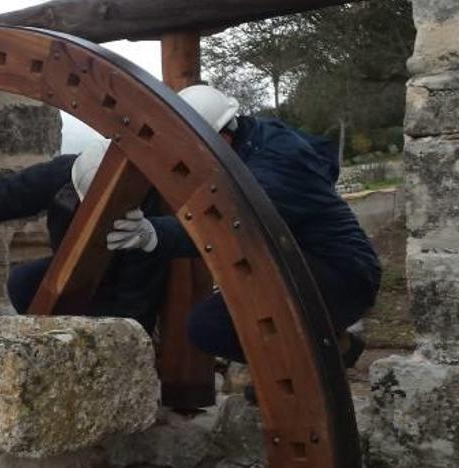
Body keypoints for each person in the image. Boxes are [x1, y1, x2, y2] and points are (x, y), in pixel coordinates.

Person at [105, 85, 380, 367]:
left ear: (221, 137)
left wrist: (155, 233)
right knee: (217, 322)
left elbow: (232, 225)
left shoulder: (273, 168)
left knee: (211, 327)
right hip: (319, 263)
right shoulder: (257, 139)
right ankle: (329, 349)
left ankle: (316, 371)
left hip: (343, 276)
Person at [0, 139, 173, 332]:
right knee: (24, 282)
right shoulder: (65, 171)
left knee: (123, 318)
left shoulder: (146, 207)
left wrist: (128, 339)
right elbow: (15, 191)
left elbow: (140, 287)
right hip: (73, 266)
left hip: (119, 281)